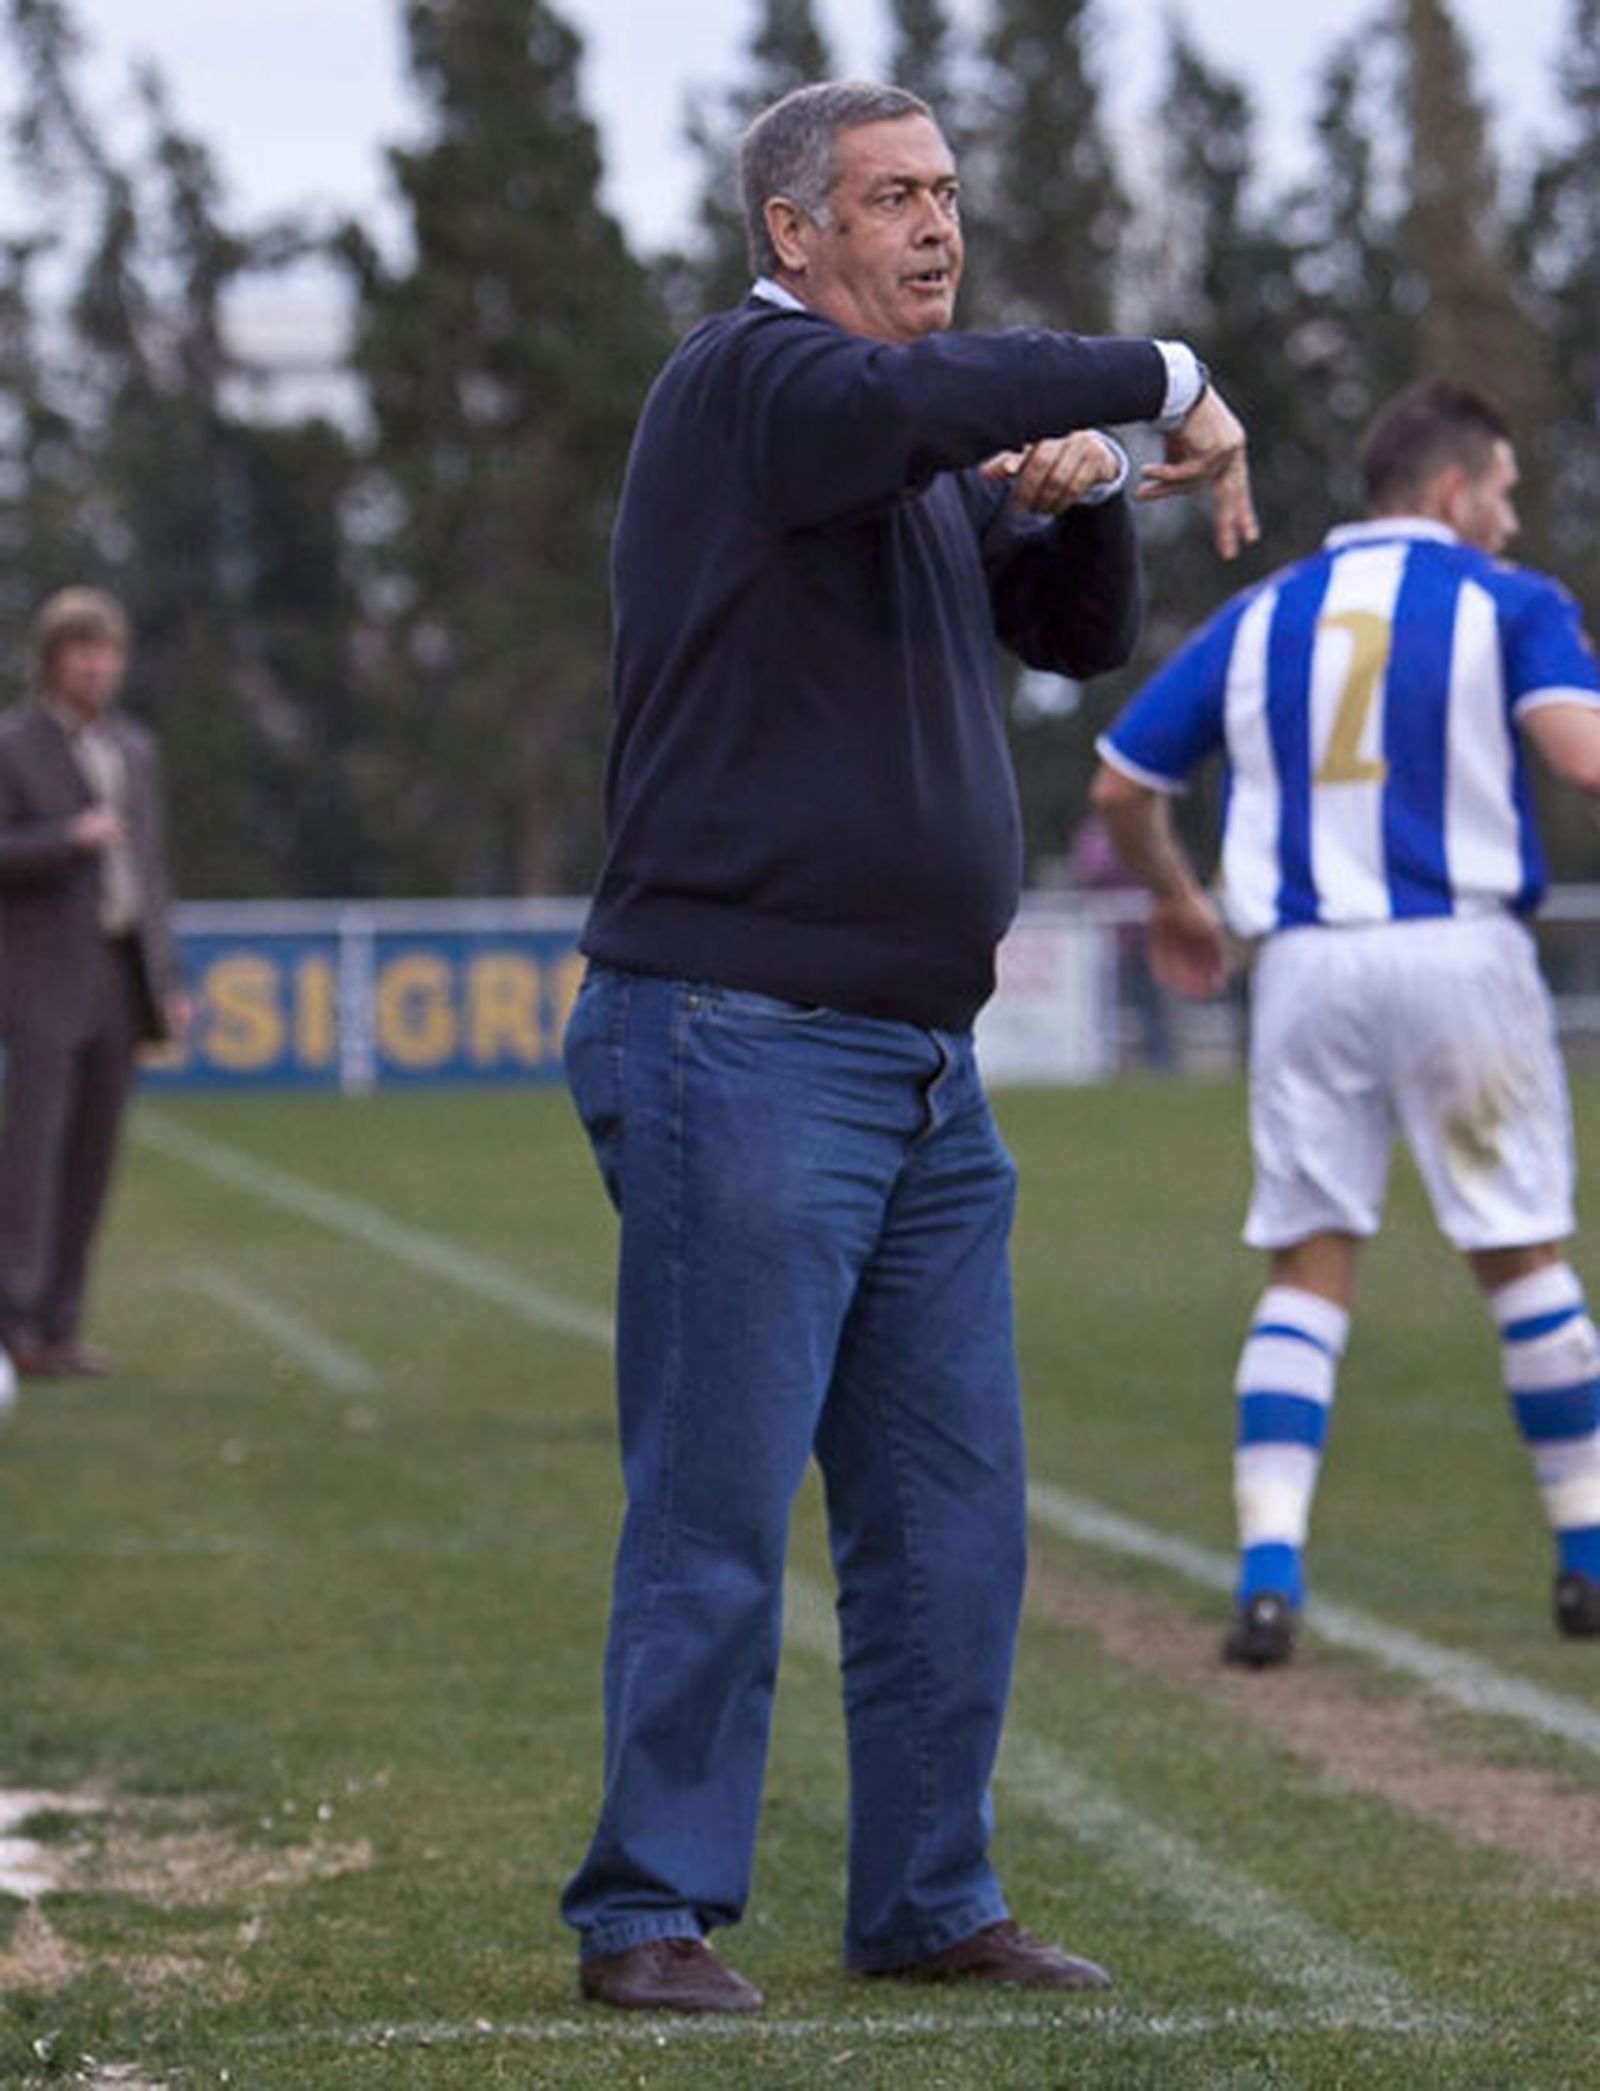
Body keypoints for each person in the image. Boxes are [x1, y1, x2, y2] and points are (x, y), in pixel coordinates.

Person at [561, 78, 1256, 2014]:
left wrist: (1088, 493)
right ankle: (644, 1906)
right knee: (717, 1492)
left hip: (916, 1066)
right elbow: (898, 414)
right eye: (888, 197)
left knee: (948, 1506)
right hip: (737, 1032)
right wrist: (1163, 377)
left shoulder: (911, 442)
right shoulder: (748, 385)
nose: (935, 226)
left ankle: (928, 1894)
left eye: (947, 190)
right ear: (792, 235)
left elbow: (1066, 639)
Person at [1091, 381, 1600, 1670]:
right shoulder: (1509, 604)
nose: (1512, 517)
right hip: (1461, 957)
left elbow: (1119, 784)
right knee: (1522, 1258)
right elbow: (1579, 755)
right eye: (1502, 493)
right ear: (1451, 494)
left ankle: (1268, 1578)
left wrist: (1180, 902)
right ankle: (1585, 1564)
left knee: (1308, 1268)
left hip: (1307, 970)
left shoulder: (1259, 616)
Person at [0, 586, 187, 1384]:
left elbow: (151, 873)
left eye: (107, 650)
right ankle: (14, 1325)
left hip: (119, 976)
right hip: (42, 977)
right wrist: (63, 840)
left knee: (93, 1159)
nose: (98, 664)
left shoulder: (134, 750)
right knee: (31, 1157)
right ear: (53, 658)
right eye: (82, 649)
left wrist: (166, 977)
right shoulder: (13, 743)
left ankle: (62, 1326)